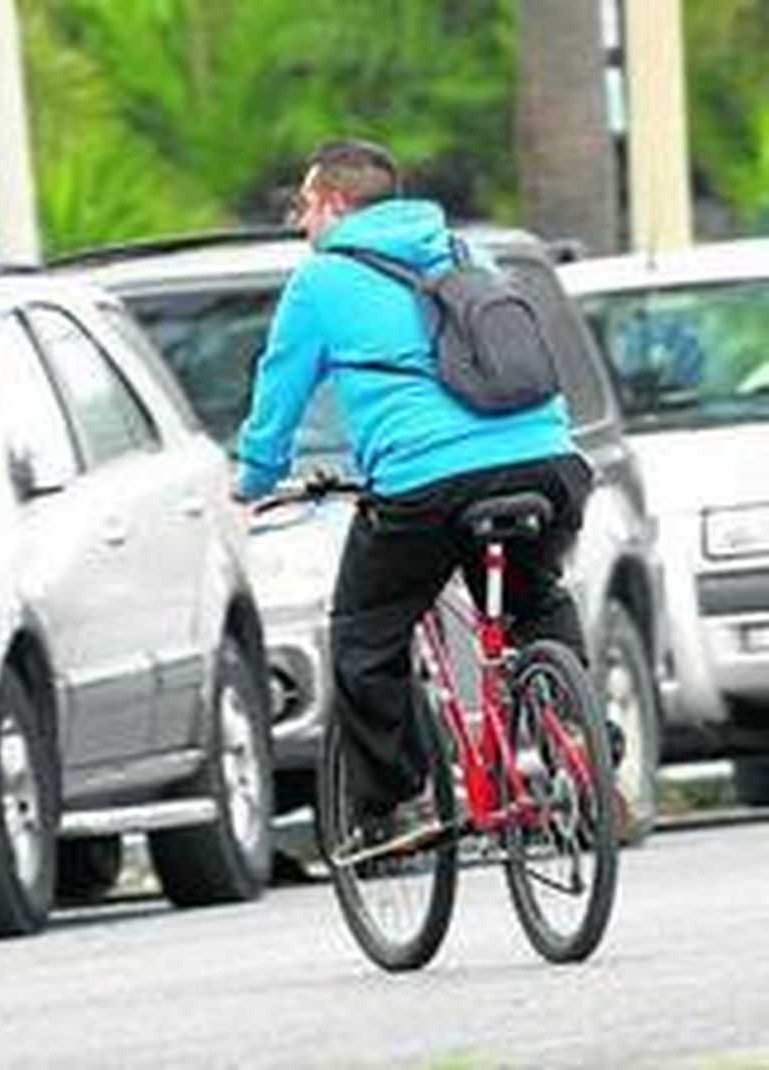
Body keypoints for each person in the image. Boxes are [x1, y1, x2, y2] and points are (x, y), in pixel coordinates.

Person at [234, 139, 595, 831]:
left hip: (427, 484)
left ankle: (396, 798)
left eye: (305, 207)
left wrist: (254, 479)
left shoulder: (321, 282)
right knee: (534, 596)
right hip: (548, 463)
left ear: (336, 205)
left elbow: (278, 394)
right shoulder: (467, 255)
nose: (301, 224)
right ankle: (577, 740)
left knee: (365, 640)